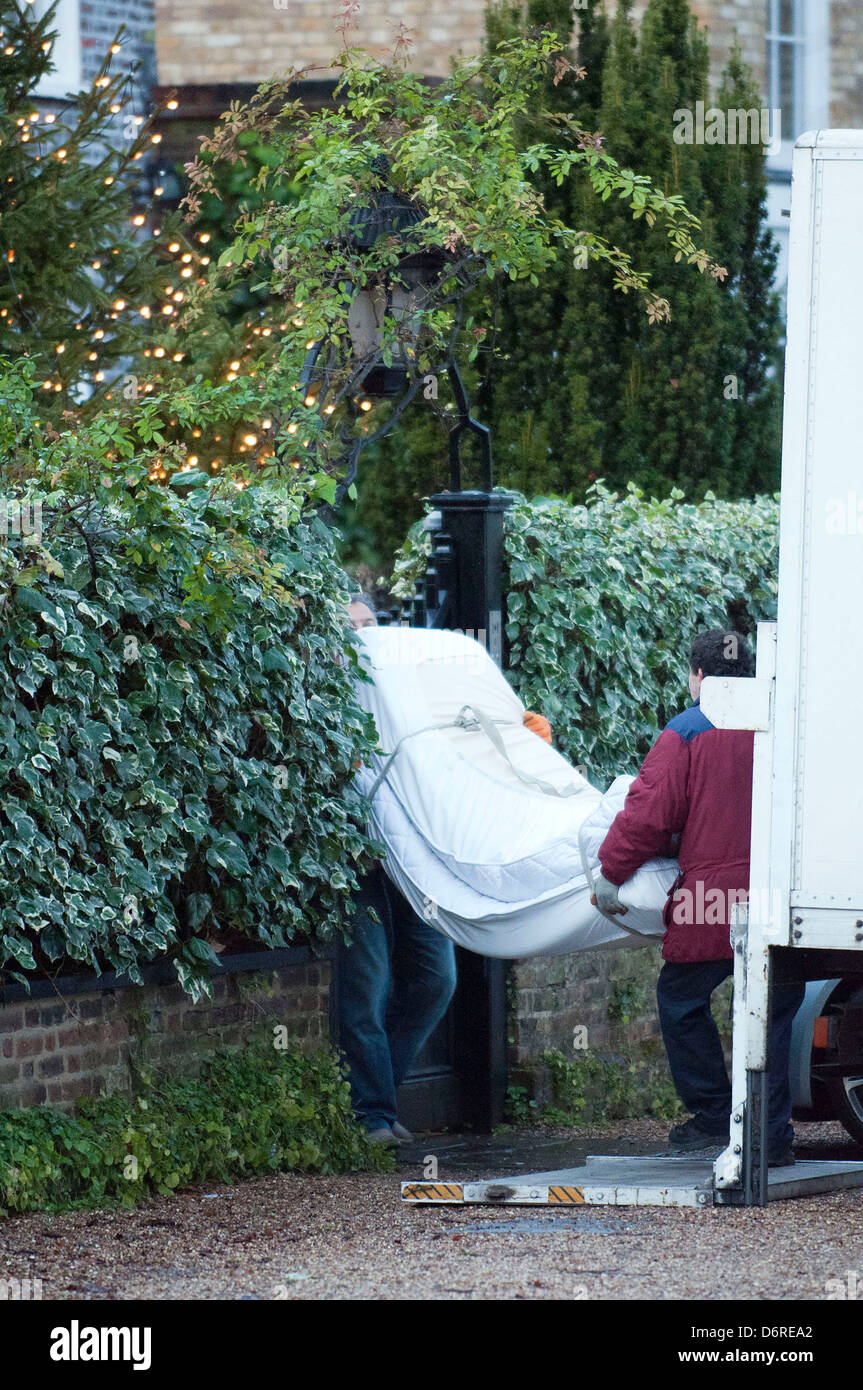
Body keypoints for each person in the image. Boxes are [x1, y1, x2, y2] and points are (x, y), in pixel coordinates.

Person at [339, 594, 550, 1145]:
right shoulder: (326, 700)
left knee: (437, 979)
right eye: (353, 629)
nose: (366, 638)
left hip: (413, 851)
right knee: (368, 981)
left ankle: (373, 1095)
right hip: (353, 857)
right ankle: (372, 1114)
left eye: (371, 626)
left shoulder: (403, 689)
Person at [593, 628, 804, 1167]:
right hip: (778, 890)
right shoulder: (785, 724)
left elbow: (648, 813)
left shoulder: (688, 729)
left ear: (699, 678)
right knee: (774, 1007)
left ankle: (713, 1114)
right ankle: (770, 1135)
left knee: (682, 999)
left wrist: (611, 871)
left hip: (710, 895)